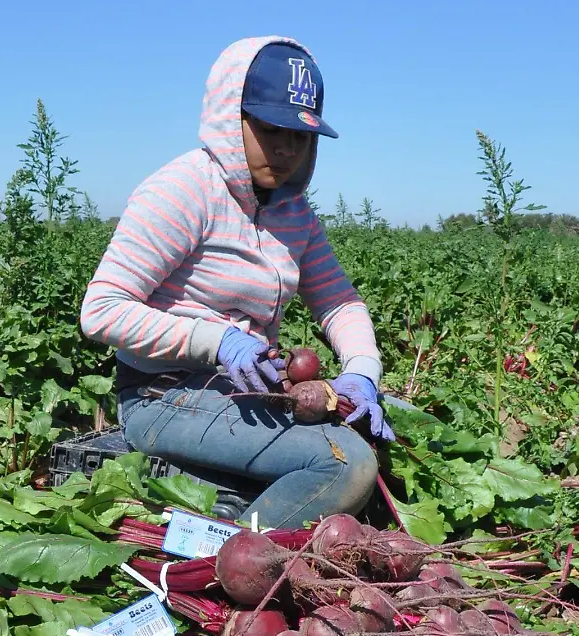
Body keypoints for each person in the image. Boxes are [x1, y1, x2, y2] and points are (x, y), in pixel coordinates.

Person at [78, 36, 399, 530]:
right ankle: (229, 558)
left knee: (385, 426)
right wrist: (217, 341)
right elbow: (102, 310)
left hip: (242, 394)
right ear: (232, 119)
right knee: (345, 463)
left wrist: (362, 372)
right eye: (271, 130)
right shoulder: (185, 191)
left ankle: (254, 527)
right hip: (163, 396)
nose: (286, 149)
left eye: (301, 136)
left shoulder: (294, 214)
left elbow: (339, 302)